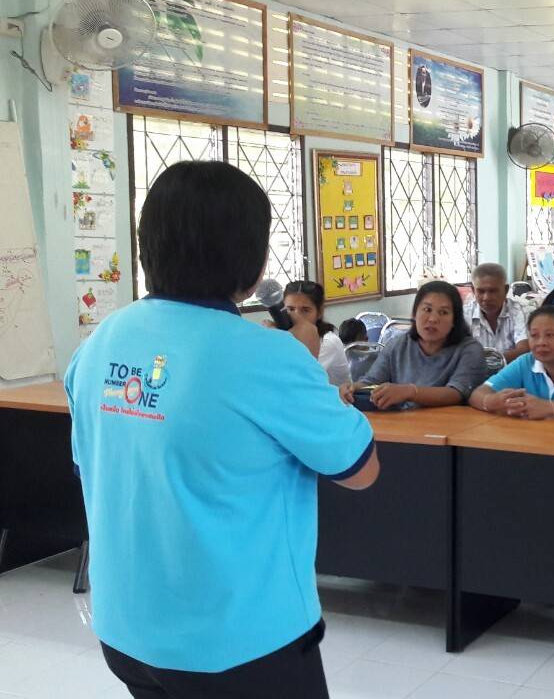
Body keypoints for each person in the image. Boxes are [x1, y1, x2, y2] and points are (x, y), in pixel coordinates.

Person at [64, 161, 379, 697]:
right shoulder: (266, 356)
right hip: (239, 641)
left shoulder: (103, 339)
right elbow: (360, 470)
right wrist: (302, 362)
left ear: (147, 246)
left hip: (127, 628)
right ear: (253, 265)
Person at [341, 281, 487, 410]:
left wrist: (410, 392)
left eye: (443, 312)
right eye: (427, 309)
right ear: (414, 314)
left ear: (455, 320)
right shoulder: (398, 344)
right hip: (404, 427)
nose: (433, 319)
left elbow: (456, 393)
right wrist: (353, 388)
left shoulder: (470, 350)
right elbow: (372, 381)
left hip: (451, 430)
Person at [470, 306, 554, 419]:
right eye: (534, 336)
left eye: (550, 335)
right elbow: (478, 394)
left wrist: (549, 407)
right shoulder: (525, 362)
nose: (541, 342)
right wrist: (491, 402)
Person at [283, 280, 350, 386]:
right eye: (290, 309)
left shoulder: (328, 342)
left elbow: (296, 379)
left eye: (305, 310)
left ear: (319, 312)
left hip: (332, 400)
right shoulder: (288, 335)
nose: (296, 316)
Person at [465, 263, 528, 363]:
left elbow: (524, 350)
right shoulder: (465, 315)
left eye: (493, 291)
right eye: (481, 291)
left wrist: (490, 364)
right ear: (473, 290)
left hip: (511, 374)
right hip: (474, 375)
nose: (487, 298)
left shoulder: (519, 312)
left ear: (506, 290)